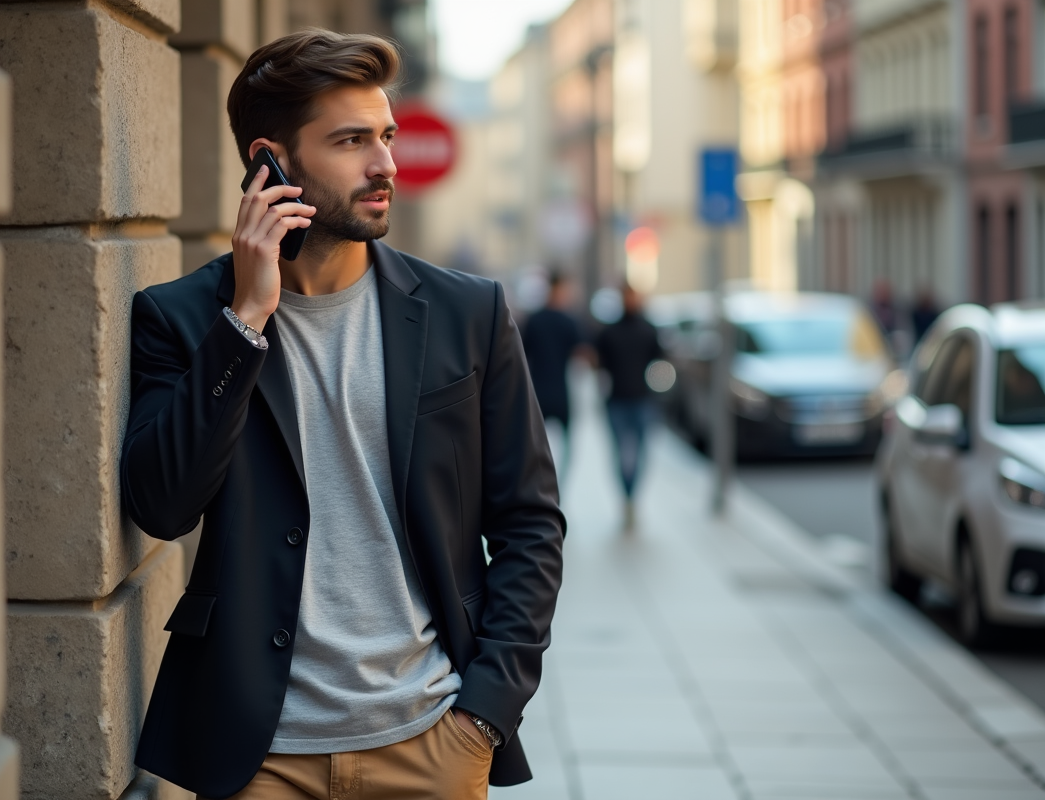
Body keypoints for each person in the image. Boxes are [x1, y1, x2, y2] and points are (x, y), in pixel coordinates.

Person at [120, 30, 564, 800]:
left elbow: (529, 521)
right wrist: (246, 319)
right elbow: (162, 506)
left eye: (386, 136)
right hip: (258, 757)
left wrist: (485, 713)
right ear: (272, 161)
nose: (386, 163)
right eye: (352, 140)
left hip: (431, 741)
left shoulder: (469, 313)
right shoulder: (183, 319)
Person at [595, 284, 663, 530]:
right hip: (617, 401)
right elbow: (598, 365)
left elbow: (660, 362)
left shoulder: (648, 329)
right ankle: (627, 498)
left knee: (641, 453)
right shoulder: (609, 332)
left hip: (643, 400)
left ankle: (632, 498)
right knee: (623, 455)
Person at [521, 273, 583, 474]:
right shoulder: (568, 321)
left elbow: (521, 354)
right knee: (566, 445)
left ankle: (542, 481)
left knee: (535, 444)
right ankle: (557, 483)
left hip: (538, 390)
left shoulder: (534, 320)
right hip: (560, 391)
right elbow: (582, 353)